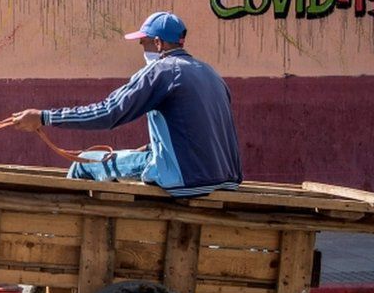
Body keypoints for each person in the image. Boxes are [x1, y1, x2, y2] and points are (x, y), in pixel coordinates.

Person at [12, 12, 243, 197]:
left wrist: (45, 117)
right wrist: (154, 147)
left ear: (158, 43)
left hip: (184, 179)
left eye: (143, 44)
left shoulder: (161, 71)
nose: (143, 51)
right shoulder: (210, 73)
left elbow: (109, 112)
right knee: (132, 157)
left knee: (85, 163)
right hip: (225, 178)